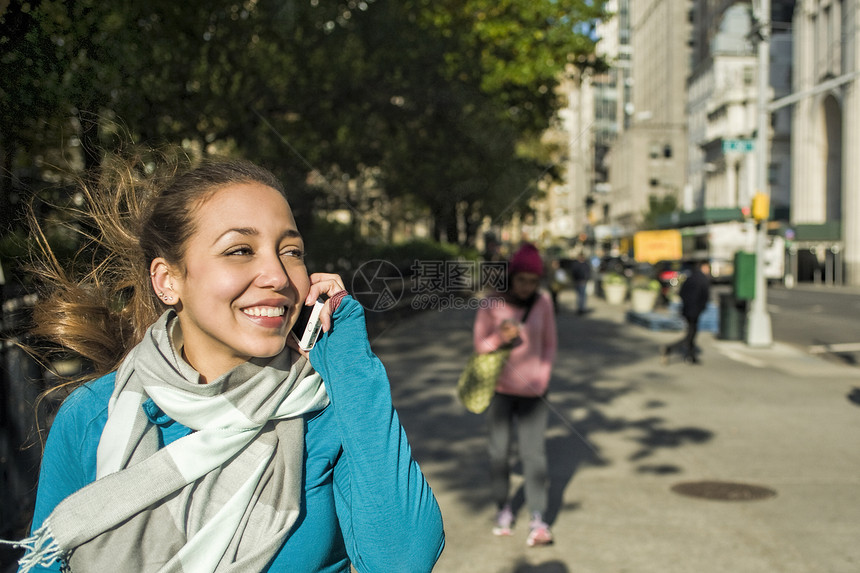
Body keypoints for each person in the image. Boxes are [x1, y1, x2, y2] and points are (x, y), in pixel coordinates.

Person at [4, 153, 444, 572]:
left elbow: (402, 560)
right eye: (239, 250)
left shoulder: (328, 411)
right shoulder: (92, 416)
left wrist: (349, 361)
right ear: (168, 280)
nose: (277, 275)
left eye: (291, 251)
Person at [471, 242, 557, 547]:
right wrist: (500, 337)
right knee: (499, 454)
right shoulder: (491, 303)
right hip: (500, 391)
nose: (527, 287)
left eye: (533, 281)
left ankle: (538, 518)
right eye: (522, 280)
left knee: (534, 456)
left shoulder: (543, 303)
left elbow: (549, 344)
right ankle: (503, 509)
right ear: (511, 277)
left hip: (535, 393)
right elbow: (480, 346)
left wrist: (543, 378)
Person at [661, 261, 712, 364]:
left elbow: (682, 293)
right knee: (691, 334)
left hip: (687, 309)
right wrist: (700, 306)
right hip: (695, 310)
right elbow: (704, 296)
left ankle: (690, 355)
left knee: (691, 333)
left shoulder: (691, 277)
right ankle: (670, 349)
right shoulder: (702, 279)